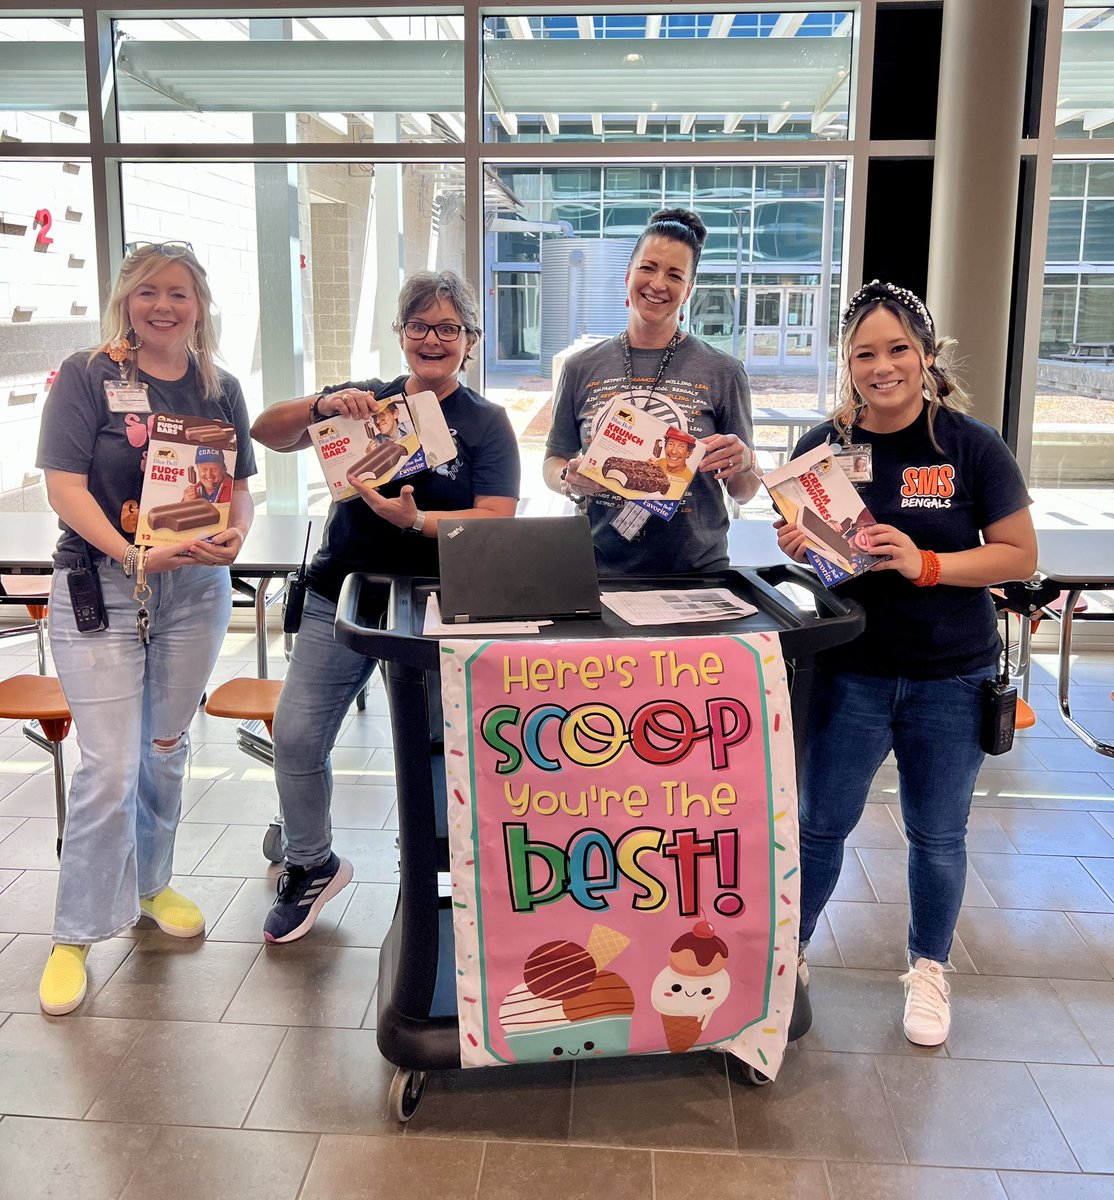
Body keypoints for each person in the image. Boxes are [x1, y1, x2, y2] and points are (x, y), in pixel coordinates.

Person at [775, 280, 1037, 1046]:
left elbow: (1020, 556)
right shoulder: (821, 448)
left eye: (898, 350)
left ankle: (929, 967)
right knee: (821, 827)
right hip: (849, 669)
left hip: (951, 675)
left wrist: (926, 563)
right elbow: (814, 562)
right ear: (846, 362)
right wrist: (802, 550)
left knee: (938, 832)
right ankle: (787, 955)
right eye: (864, 353)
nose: (881, 367)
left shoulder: (970, 445)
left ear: (927, 357)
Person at [250, 269, 520, 943]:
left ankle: (430, 872)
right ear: (400, 335)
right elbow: (264, 431)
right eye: (419, 325)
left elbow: (499, 518)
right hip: (340, 593)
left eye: (448, 327)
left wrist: (417, 521)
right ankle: (312, 862)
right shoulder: (363, 401)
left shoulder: (485, 422)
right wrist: (321, 405)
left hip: (440, 604)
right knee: (300, 737)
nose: (433, 338)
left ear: (469, 340)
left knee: (432, 750)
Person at [35, 242, 256, 1015]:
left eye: (180, 294)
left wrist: (235, 536)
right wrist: (132, 555)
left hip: (196, 589)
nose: (164, 306)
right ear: (125, 298)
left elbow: (238, 492)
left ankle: (152, 884)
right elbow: (64, 490)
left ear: (200, 305)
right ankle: (75, 931)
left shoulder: (218, 386)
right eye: (148, 292)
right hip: (100, 585)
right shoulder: (87, 375)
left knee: (165, 748)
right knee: (110, 765)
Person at [544, 208, 761, 573]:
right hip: (599, 570)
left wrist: (746, 462)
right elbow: (553, 461)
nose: (658, 284)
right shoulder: (580, 367)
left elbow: (744, 489)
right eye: (648, 268)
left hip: (698, 575)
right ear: (628, 275)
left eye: (674, 275)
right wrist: (569, 478)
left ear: (688, 290)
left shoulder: (724, 371)